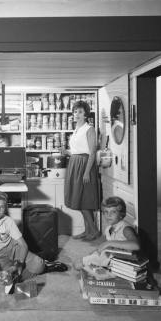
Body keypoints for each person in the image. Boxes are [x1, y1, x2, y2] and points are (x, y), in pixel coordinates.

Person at [62, 99, 100, 241]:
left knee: (84, 200)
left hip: (84, 165)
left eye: (80, 112)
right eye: (75, 111)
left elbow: (92, 152)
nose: (76, 114)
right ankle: (87, 230)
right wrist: (66, 152)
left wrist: (86, 172)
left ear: (85, 114)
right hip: (75, 163)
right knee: (79, 199)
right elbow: (76, 150)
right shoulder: (77, 129)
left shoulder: (89, 129)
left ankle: (94, 231)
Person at [75, 196, 140, 270]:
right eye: (106, 212)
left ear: (121, 214)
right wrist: (96, 251)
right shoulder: (108, 228)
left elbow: (136, 245)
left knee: (79, 264)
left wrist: (108, 243)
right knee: (79, 263)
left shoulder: (126, 229)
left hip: (123, 262)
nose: (109, 215)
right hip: (111, 257)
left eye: (113, 212)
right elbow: (106, 246)